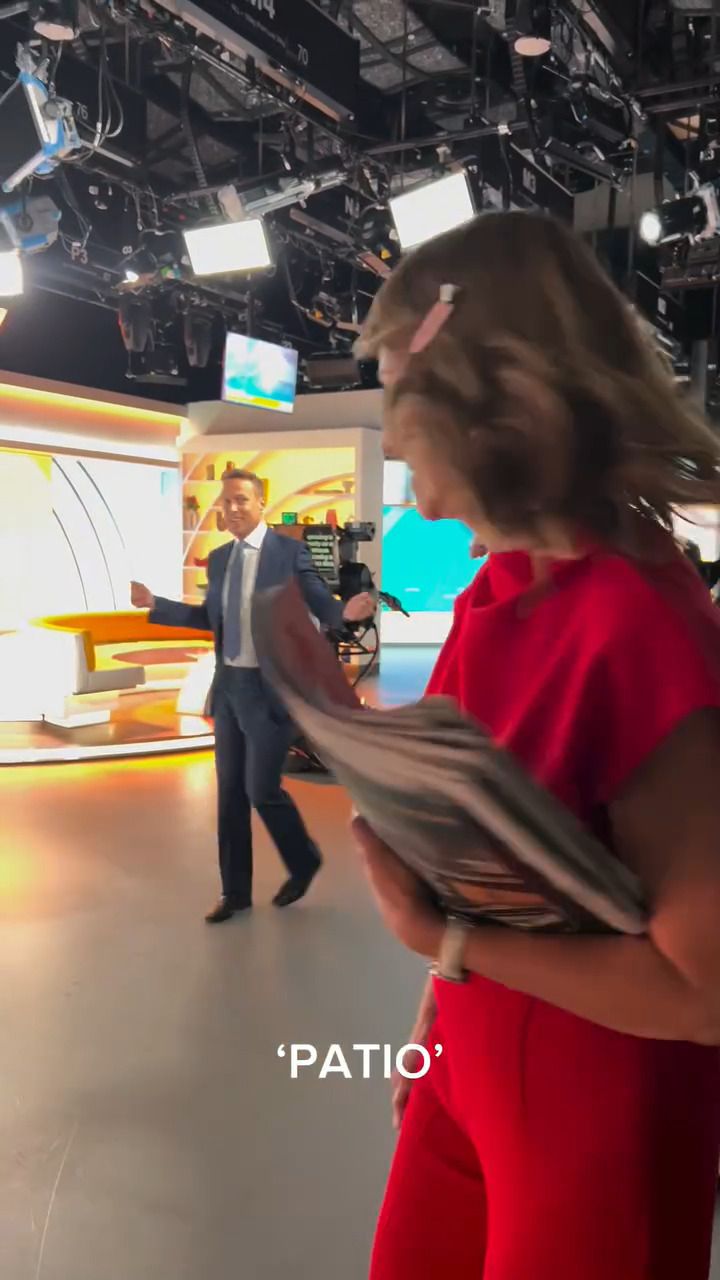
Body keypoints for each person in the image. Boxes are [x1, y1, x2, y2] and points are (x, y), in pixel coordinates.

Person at [351, 211, 720, 1280]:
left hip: (599, 1099)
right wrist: (436, 1010)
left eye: (405, 413)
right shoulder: (498, 589)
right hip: (470, 1053)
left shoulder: (637, 622)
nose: (401, 465)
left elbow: (701, 994)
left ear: (492, 406)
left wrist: (446, 946)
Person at [131, 469, 374, 922]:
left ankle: (303, 859)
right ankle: (235, 892)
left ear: (261, 502)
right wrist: (156, 605)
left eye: (241, 499)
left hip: (270, 691)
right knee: (230, 795)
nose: (232, 508)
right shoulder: (220, 559)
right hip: (229, 690)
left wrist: (346, 613)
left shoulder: (289, 553)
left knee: (261, 790)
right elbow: (209, 618)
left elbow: (320, 602)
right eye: (226, 501)